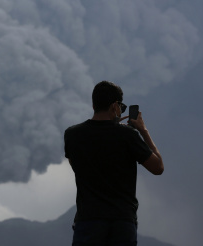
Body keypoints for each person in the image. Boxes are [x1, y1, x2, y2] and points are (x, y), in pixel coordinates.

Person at [64, 81, 164, 246]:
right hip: (121, 222)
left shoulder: (72, 134)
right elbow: (158, 167)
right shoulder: (128, 136)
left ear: (93, 104)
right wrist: (143, 131)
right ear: (115, 106)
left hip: (88, 221)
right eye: (121, 107)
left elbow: (77, 167)